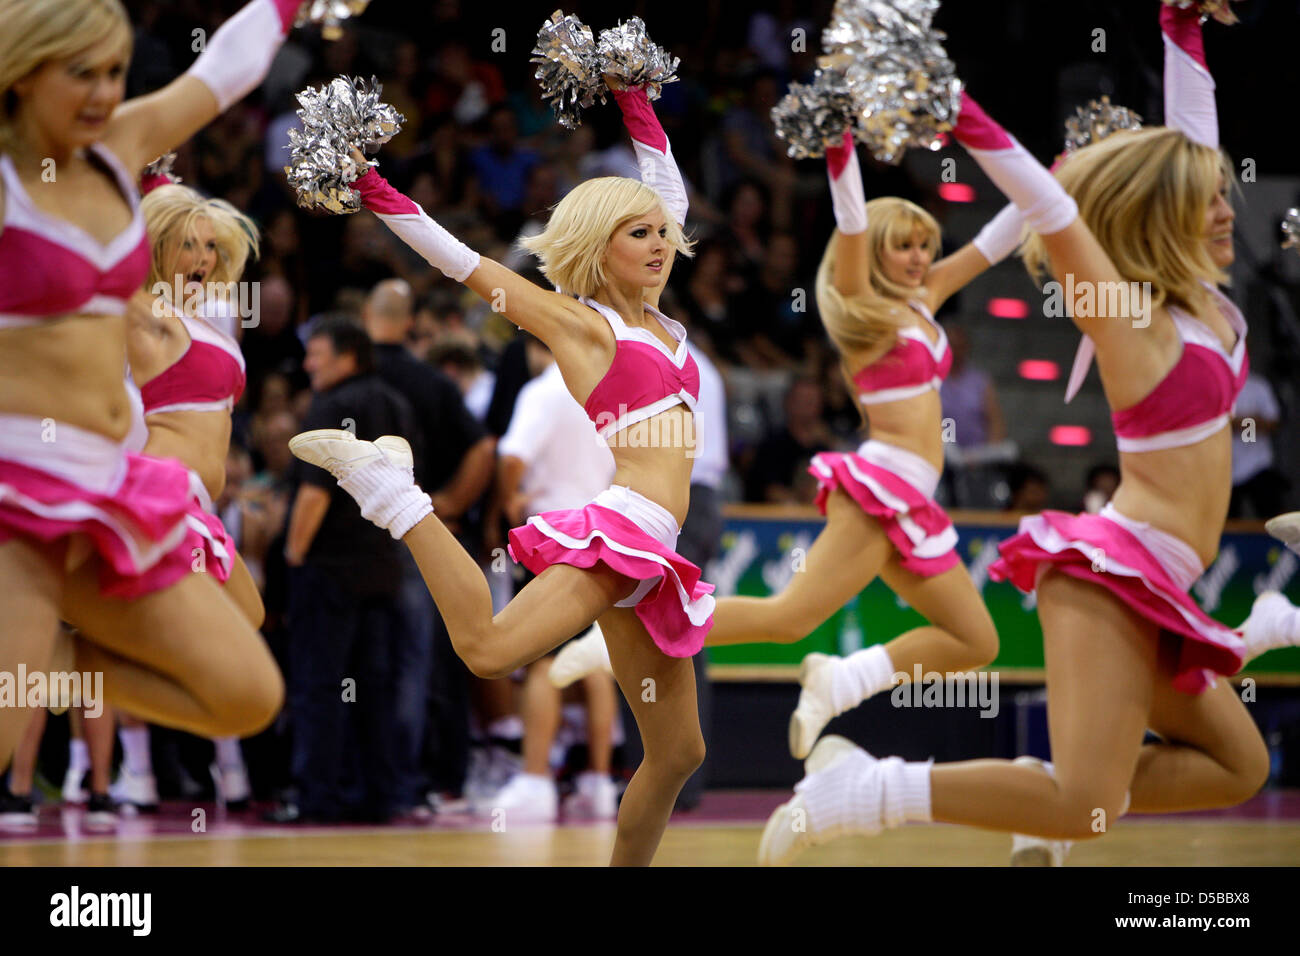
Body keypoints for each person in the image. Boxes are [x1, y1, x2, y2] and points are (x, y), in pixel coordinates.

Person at [761, 5, 1270, 864]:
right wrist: (959, 109)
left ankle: (1050, 787)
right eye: (1205, 201)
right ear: (1165, 216)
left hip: (1161, 585)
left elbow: (1191, 143)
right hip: (1114, 573)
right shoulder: (1127, 319)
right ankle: (866, 790)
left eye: (1225, 194)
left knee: (1238, 765)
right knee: (1084, 802)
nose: (1224, 211)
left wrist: (1181, 29)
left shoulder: (1207, 308)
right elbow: (1048, 206)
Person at [290, 76, 709, 865]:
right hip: (622, 531)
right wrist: (371, 184)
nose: (659, 243)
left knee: (679, 752)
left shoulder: (663, 318)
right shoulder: (583, 326)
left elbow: (666, 182)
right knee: (485, 650)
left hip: (659, 547)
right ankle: (391, 493)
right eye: (638, 235)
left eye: (662, 232)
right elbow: (462, 262)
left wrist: (630, 94)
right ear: (598, 248)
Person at [0, 0, 297, 766]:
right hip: (17, 488)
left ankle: (43, 673)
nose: (104, 94)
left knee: (244, 693)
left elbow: (223, 72)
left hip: (107, 486)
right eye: (80, 73)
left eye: (114, 72)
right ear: (21, 74)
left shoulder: (117, 149)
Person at [362, 278, 494, 817]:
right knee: (427, 662)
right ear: (411, 319)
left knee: (370, 664)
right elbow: (485, 447)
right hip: (421, 536)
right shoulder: (431, 382)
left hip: (359, 544)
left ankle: (375, 781)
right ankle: (429, 782)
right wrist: (449, 505)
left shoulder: (353, 376)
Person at [279, 316, 418, 823]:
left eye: (317, 353)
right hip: (383, 569)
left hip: (330, 572)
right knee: (374, 688)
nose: (309, 363)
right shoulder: (396, 404)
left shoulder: (332, 406)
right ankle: (382, 796)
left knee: (321, 686)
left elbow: (313, 495)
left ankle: (318, 798)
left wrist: (294, 556)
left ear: (348, 357)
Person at [491, 335, 619, 821]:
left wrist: (509, 501)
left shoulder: (542, 391)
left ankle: (536, 780)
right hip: (600, 533)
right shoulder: (602, 394)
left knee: (543, 661)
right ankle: (600, 782)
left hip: (552, 536)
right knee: (594, 663)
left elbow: (511, 456)